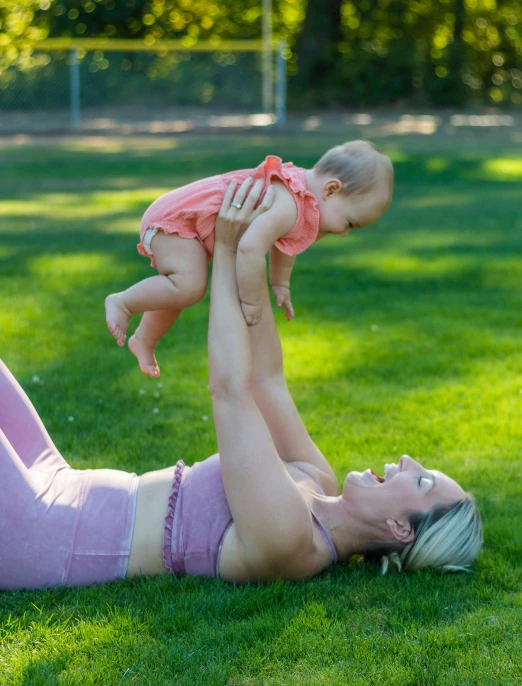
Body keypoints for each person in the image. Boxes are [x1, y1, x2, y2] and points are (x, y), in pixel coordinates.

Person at [0, 180, 481, 592]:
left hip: (45, 533)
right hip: (58, 483)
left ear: (400, 529)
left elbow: (231, 390)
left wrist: (227, 250)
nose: (408, 461)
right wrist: (256, 247)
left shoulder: (292, 543)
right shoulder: (315, 478)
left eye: (420, 480)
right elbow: (266, 377)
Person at [105, 140, 394, 378]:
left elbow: (285, 242)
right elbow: (250, 248)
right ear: (332, 189)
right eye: (350, 223)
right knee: (188, 286)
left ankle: (144, 340)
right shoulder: (289, 202)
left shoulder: (301, 198)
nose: (345, 233)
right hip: (181, 219)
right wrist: (253, 302)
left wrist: (280, 283)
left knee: (179, 291)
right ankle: (123, 302)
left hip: (188, 223)